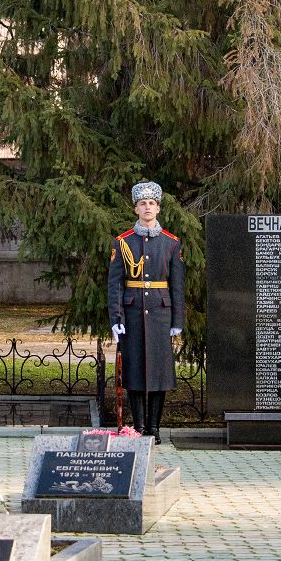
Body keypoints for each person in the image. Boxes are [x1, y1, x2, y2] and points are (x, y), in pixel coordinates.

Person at [107, 181, 185, 442]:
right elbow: (115, 284)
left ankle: (154, 428)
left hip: (161, 315)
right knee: (135, 370)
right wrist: (116, 318)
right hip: (132, 315)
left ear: (158, 208)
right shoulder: (123, 242)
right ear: (136, 209)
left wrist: (177, 320)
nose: (147, 207)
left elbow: (177, 284)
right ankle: (139, 427)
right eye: (142, 203)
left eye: (151, 203)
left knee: (159, 373)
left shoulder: (171, 243)